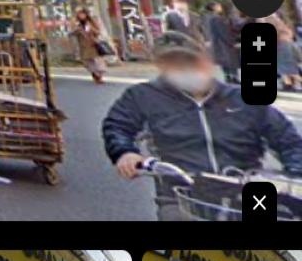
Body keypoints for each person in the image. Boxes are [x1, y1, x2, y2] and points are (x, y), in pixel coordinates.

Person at [103, 31, 302, 218]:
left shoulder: (242, 98)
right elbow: (118, 125)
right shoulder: (143, 96)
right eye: (171, 63)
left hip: (244, 189)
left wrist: (296, 173)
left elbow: (287, 138)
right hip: (182, 192)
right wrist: (124, 152)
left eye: (188, 60)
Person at [71, 8, 112, 83]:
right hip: (83, 45)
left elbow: (98, 32)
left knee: (98, 61)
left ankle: (99, 76)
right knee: (87, 61)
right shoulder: (76, 23)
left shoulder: (91, 22)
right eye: (79, 14)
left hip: (93, 44)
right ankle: (94, 73)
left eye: (83, 14)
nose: (81, 16)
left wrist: (92, 29)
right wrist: (77, 30)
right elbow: (71, 33)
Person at [204, 3, 237, 80]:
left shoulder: (207, 18)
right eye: (218, 6)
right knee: (230, 61)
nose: (220, 7)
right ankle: (233, 77)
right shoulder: (217, 18)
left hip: (216, 43)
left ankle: (228, 76)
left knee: (224, 62)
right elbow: (223, 32)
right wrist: (232, 42)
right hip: (223, 44)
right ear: (214, 8)